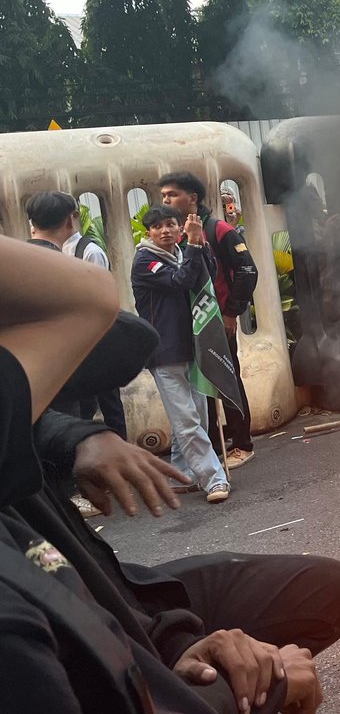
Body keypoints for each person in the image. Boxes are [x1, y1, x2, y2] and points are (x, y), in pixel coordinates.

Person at [0, 236, 340, 711]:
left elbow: (125, 336)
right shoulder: (14, 631)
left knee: (326, 586)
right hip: (113, 643)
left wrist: (77, 439)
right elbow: (92, 300)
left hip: (126, 599)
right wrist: (249, 688)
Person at [132, 205, 232, 504]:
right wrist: (193, 246)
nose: (164, 231)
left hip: (192, 346)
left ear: (179, 228)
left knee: (196, 416)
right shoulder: (145, 261)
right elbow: (182, 280)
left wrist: (199, 244)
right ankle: (214, 479)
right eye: (157, 226)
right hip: (165, 352)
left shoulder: (181, 253)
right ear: (148, 232)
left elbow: (208, 274)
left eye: (170, 224)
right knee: (187, 420)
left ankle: (182, 472)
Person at [158, 172, 258, 471]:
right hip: (189, 324)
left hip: (217, 320)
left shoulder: (218, 229)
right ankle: (213, 447)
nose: (166, 200)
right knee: (200, 385)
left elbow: (247, 271)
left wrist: (231, 313)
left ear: (192, 198)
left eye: (172, 194)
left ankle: (242, 444)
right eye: (163, 196)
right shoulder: (175, 234)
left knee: (227, 378)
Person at [25, 192, 127, 443]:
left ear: (32, 223)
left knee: (108, 402)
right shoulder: (41, 253)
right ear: (72, 219)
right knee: (80, 408)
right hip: (67, 350)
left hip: (93, 344)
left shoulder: (88, 251)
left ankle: (119, 448)